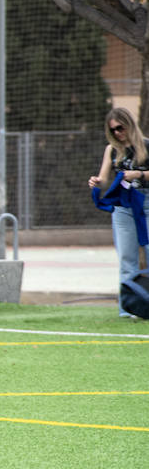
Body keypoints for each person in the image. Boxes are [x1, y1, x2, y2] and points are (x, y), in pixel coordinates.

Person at [88, 107, 149, 317]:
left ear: (129, 124)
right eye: (112, 130)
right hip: (123, 208)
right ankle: (128, 308)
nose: (117, 133)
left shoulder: (147, 145)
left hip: (146, 204)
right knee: (126, 257)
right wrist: (97, 182)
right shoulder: (112, 149)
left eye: (120, 128)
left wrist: (138, 175)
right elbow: (104, 177)